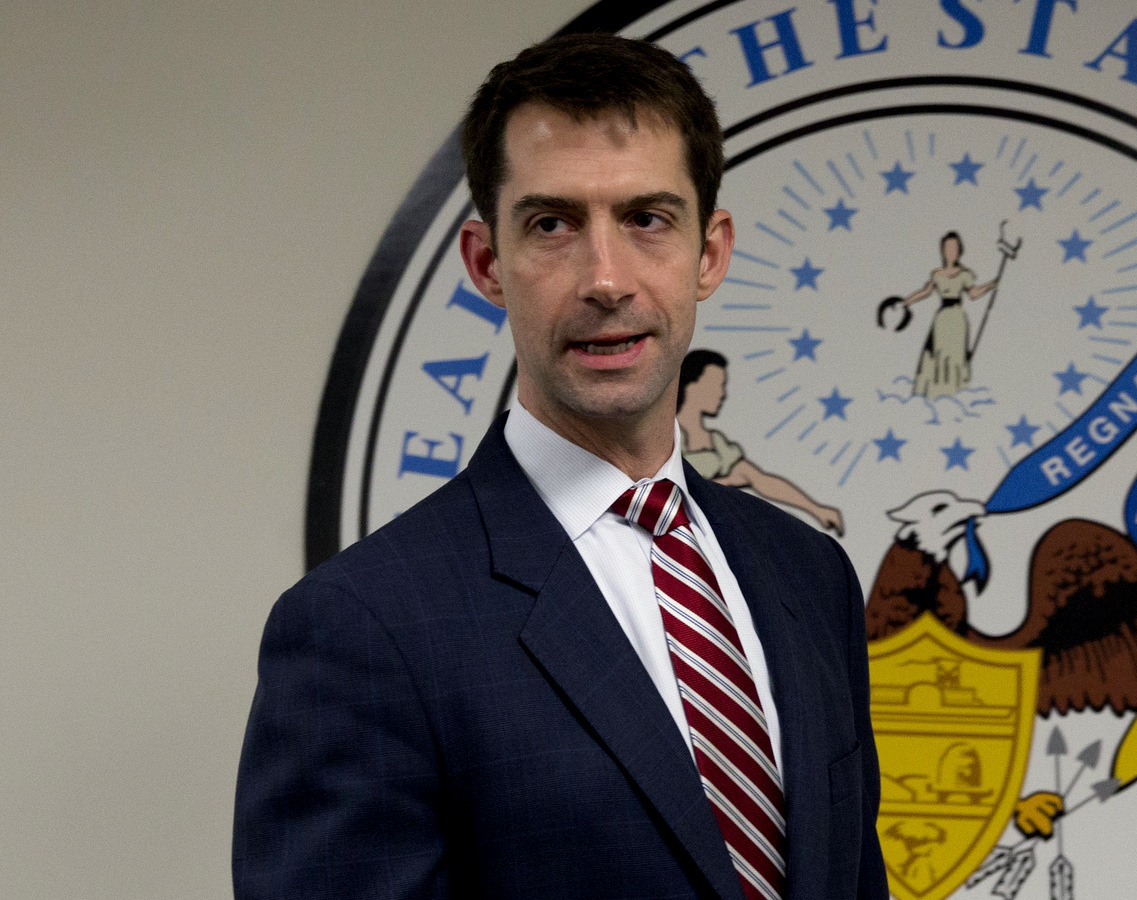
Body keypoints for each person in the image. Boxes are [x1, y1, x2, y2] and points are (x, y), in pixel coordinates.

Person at [234, 34, 888, 900]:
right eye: (553, 225)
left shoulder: (812, 578)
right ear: (485, 263)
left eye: (647, 219)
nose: (606, 278)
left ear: (712, 253)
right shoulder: (362, 629)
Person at [677, 349, 845, 536]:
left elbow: (760, 479)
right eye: (717, 385)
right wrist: (726, 483)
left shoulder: (716, 441)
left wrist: (816, 509)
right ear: (692, 384)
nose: (722, 394)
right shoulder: (666, 436)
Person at [901, 231, 997, 399]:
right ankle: (935, 391)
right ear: (942, 250)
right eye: (947, 248)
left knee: (955, 354)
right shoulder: (937, 274)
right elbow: (926, 292)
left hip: (957, 318)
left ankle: (954, 389)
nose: (950, 251)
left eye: (953, 248)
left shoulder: (965, 274)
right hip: (942, 318)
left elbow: (973, 294)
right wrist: (907, 301)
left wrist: (990, 285)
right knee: (938, 352)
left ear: (959, 250)